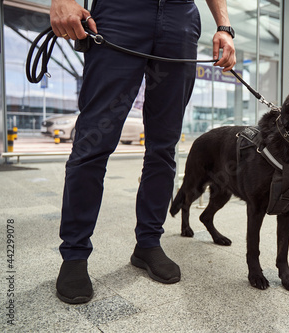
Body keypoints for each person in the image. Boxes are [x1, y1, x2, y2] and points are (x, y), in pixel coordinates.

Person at [50, 0, 236, 304]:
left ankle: (148, 243)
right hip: (121, 12)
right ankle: (74, 254)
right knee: (93, 144)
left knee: (164, 147)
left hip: (180, 18)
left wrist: (224, 27)